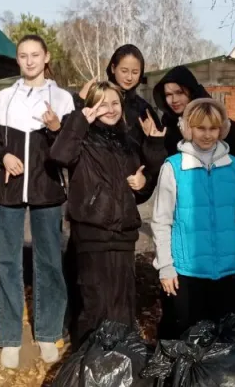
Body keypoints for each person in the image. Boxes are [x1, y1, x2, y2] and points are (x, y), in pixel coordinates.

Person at [51, 81, 166, 346]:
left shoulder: (127, 142)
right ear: (92, 107)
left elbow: (143, 184)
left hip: (123, 234)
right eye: (103, 104)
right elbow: (59, 155)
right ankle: (89, 357)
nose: (111, 109)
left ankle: (121, 358)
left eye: (115, 103)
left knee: (122, 304)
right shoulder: (81, 138)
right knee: (95, 303)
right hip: (92, 232)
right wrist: (80, 119)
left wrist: (143, 181)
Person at [0, 34, 75, 367]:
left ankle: (48, 332)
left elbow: (70, 146)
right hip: (9, 190)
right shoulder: (3, 98)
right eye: (23, 55)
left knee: (48, 260)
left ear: (46, 57)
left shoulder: (63, 98)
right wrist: (3, 156)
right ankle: (9, 337)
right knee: (6, 261)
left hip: (47, 189)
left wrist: (55, 128)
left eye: (35, 55)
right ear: (17, 59)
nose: (30, 61)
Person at [151, 98, 235, 339]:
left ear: (221, 129)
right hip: (186, 272)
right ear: (188, 129)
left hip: (224, 271)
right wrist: (166, 266)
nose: (207, 135)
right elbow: (161, 220)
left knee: (226, 340)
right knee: (185, 339)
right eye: (200, 128)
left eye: (213, 128)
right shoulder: (174, 167)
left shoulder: (234, 167)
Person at [152, 65, 235, 162]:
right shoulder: (167, 124)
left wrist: (225, 129)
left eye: (179, 92)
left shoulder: (212, 116)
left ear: (191, 91)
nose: (174, 100)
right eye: (168, 94)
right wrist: (155, 143)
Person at [76, 44, 162, 149]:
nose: (129, 77)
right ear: (113, 68)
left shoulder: (144, 110)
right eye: (124, 71)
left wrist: (152, 140)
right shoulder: (95, 99)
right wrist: (78, 102)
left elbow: (157, 148)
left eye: (135, 72)